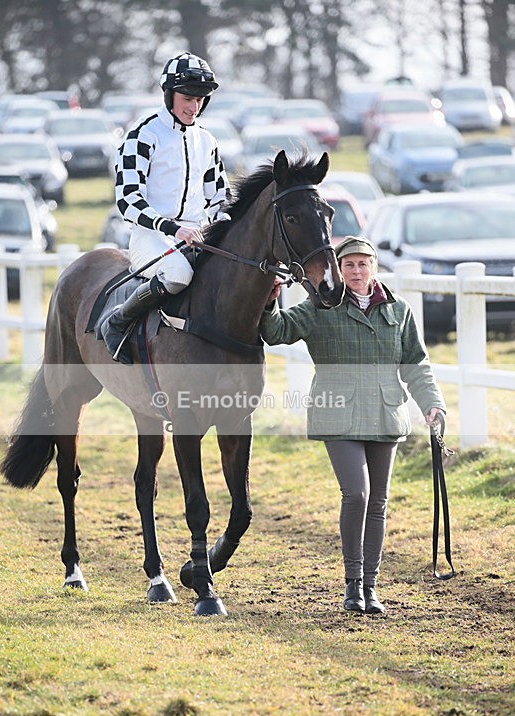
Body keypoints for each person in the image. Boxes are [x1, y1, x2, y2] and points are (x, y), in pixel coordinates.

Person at [259, 236, 446, 614]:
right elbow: (276, 332)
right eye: (349, 266)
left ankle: (371, 587)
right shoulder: (319, 307)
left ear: (374, 268)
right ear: (338, 271)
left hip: (385, 412)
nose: (357, 272)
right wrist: (269, 298)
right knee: (357, 494)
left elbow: (416, 366)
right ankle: (352, 584)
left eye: (363, 264)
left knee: (378, 501)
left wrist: (433, 405)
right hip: (338, 414)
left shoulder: (399, 310)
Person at [102, 52, 231, 363]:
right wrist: (173, 228)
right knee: (177, 274)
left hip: (197, 236)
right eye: (187, 97)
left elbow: (219, 197)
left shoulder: (207, 140)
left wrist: (226, 226)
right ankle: (117, 321)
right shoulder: (142, 134)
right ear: (169, 94)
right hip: (151, 237)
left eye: (200, 99)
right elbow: (128, 200)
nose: (194, 107)